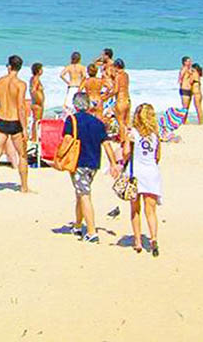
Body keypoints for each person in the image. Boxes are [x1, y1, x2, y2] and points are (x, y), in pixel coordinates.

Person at [63, 91, 118, 244]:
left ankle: (92, 232)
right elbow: (107, 144)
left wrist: (58, 158)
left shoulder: (71, 120)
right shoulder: (98, 123)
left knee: (84, 194)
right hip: (94, 163)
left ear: (75, 105)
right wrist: (113, 163)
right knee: (80, 192)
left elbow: (66, 140)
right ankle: (78, 225)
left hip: (78, 162)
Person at [0, 55, 30, 195]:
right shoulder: (20, 84)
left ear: (9, 66)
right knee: (22, 155)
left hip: (2, 120)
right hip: (15, 121)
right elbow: (21, 107)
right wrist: (24, 128)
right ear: (19, 68)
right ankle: (24, 187)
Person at [124, 103, 163, 256]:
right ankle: (153, 238)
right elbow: (157, 157)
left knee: (135, 209)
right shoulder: (155, 136)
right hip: (151, 172)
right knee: (151, 210)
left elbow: (126, 152)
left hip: (136, 173)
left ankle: (138, 242)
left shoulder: (132, 133)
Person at [112, 58, 132, 138]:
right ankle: (128, 141)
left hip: (120, 100)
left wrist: (105, 97)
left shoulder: (118, 76)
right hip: (128, 100)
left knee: (120, 122)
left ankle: (123, 141)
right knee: (127, 123)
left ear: (116, 66)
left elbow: (116, 90)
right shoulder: (126, 75)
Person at [29, 62, 45, 133]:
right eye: (41, 69)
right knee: (37, 122)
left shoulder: (33, 79)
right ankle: (34, 138)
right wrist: (39, 101)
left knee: (36, 121)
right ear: (38, 70)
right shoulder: (36, 79)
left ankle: (34, 137)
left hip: (36, 103)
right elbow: (33, 91)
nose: (42, 70)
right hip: (37, 104)